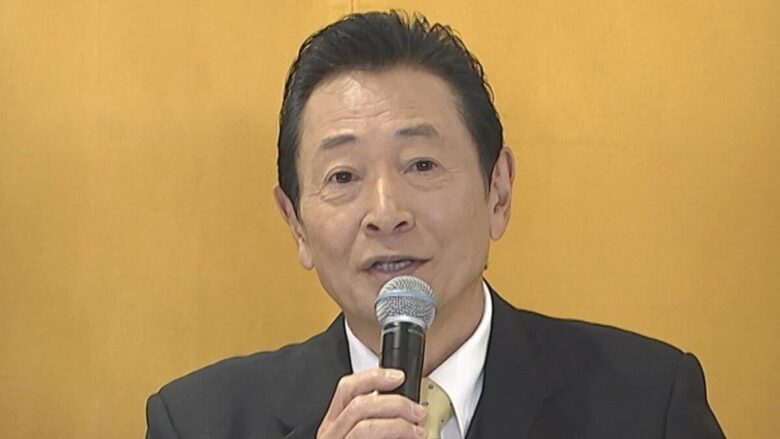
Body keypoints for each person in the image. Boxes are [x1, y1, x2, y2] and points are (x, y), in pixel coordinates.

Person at [145, 10, 724, 439]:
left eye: (421, 165)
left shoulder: (649, 403)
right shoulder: (198, 422)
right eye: (343, 176)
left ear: (498, 191)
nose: (386, 213)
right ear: (295, 223)